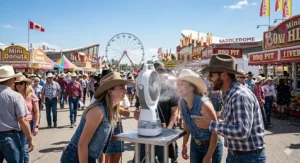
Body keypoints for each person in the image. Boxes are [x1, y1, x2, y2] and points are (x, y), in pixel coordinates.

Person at [194, 54, 266, 163]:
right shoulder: (230, 94)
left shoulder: (239, 96)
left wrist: (210, 124)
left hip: (248, 157)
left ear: (223, 75)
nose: (208, 78)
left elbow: (242, 131)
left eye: (211, 74)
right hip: (239, 155)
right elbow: (234, 124)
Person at [60, 72, 133, 163]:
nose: (125, 91)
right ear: (110, 91)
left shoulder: (110, 109)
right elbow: (82, 144)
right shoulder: (98, 111)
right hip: (75, 157)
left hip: (86, 156)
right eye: (121, 88)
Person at [133, 62, 179, 163]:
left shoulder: (171, 89)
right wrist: (138, 113)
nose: (159, 74)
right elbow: (136, 115)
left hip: (164, 132)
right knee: (139, 159)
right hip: (146, 134)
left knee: (164, 159)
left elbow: (175, 111)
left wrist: (168, 129)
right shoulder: (144, 89)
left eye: (161, 71)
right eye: (157, 71)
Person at [176, 69, 223, 163]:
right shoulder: (181, 102)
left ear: (192, 88)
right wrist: (184, 145)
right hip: (195, 145)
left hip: (210, 146)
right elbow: (186, 125)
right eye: (178, 83)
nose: (178, 87)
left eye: (182, 84)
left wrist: (209, 156)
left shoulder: (204, 104)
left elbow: (215, 132)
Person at [0, 65, 34, 163]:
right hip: (10, 136)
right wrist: (30, 138)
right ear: (11, 81)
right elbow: (23, 120)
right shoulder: (15, 96)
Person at [14, 75, 40, 163]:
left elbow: (36, 112)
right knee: (17, 147)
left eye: (21, 83)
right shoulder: (13, 95)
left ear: (25, 84)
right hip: (15, 124)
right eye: (16, 83)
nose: (18, 85)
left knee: (24, 147)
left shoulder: (31, 95)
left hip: (27, 122)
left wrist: (36, 126)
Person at [101, 94, 131, 163]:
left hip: (118, 127)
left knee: (116, 157)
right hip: (104, 127)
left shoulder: (123, 95)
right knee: (104, 159)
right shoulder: (100, 95)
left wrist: (118, 109)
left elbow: (128, 113)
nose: (123, 89)